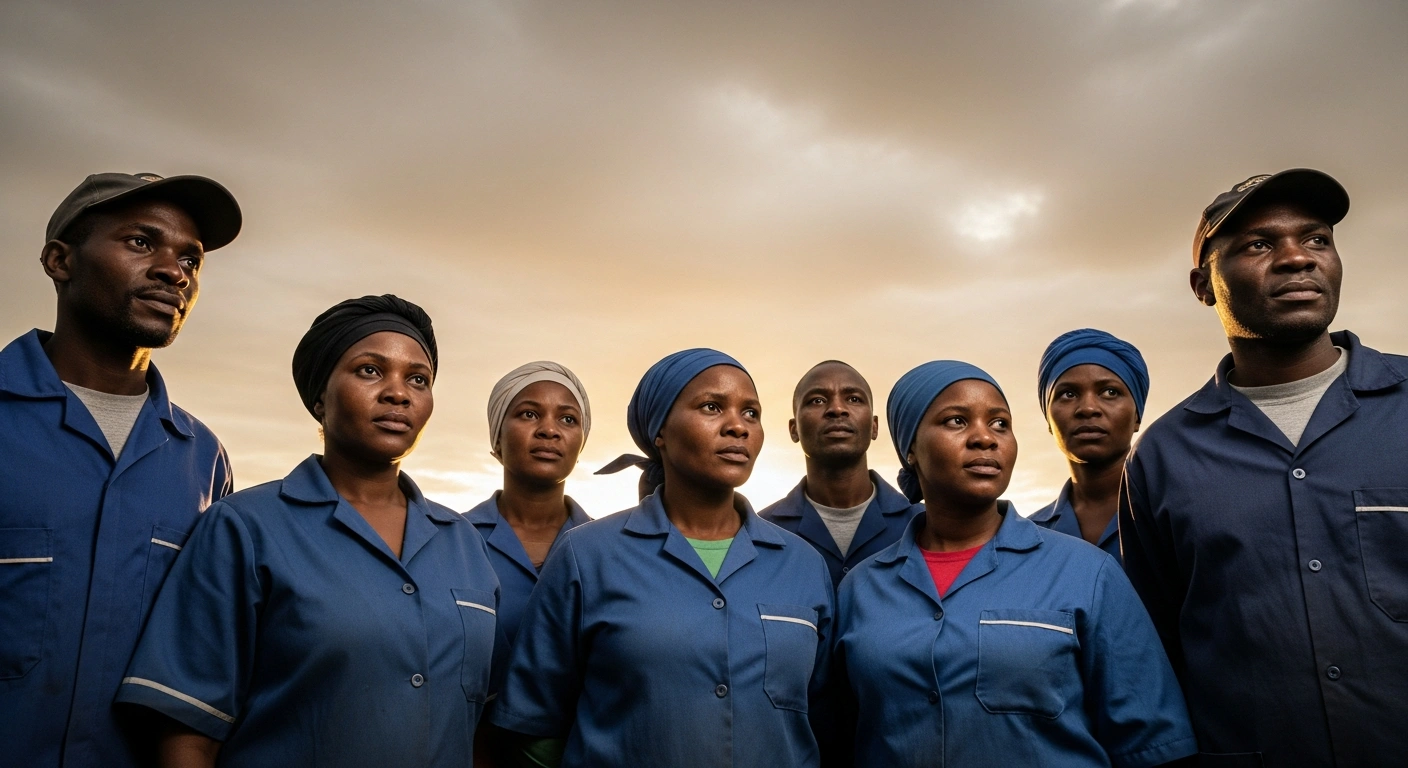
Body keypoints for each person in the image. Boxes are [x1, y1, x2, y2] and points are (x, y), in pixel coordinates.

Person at [115, 295, 502, 767]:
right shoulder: (245, 527)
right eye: (370, 371)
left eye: (417, 379)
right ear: (320, 395)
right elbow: (186, 734)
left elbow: (481, 726)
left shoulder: (464, 542)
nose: (398, 393)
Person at [1120, 169, 1408, 764]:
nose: (1296, 259)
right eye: (1259, 244)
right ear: (1204, 285)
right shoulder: (1163, 456)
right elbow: (1157, 644)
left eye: (1317, 239)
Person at [834, 361, 1195, 767]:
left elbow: (1153, 744)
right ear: (911, 448)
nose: (985, 438)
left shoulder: (1088, 573)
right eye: (956, 421)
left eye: (1000, 424)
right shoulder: (860, 589)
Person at [491, 349, 835, 767]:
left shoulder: (803, 564)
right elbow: (535, 725)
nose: (737, 427)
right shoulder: (587, 556)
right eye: (712, 407)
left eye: (751, 413)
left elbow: (824, 716)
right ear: (660, 432)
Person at [0, 172, 241, 767]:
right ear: (60, 260)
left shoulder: (203, 457)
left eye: (191, 259)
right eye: (141, 243)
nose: (173, 270)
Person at [760, 361, 920, 589]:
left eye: (854, 399)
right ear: (794, 429)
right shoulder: (761, 533)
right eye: (817, 400)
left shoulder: (923, 526)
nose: (837, 408)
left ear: (874, 427)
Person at [466, 362, 592, 646]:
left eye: (568, 419)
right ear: (497, 438)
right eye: (529, 414)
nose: (549, 430)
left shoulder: (608, 549)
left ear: (580, 444)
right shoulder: (453, 540)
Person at [1028, 330, 1149, 563]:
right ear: (1049, 421)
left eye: (1110, 392)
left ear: (1136, 417)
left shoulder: (1173, 517)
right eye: (1068, 394)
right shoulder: (1027, 536)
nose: (1088, 408)